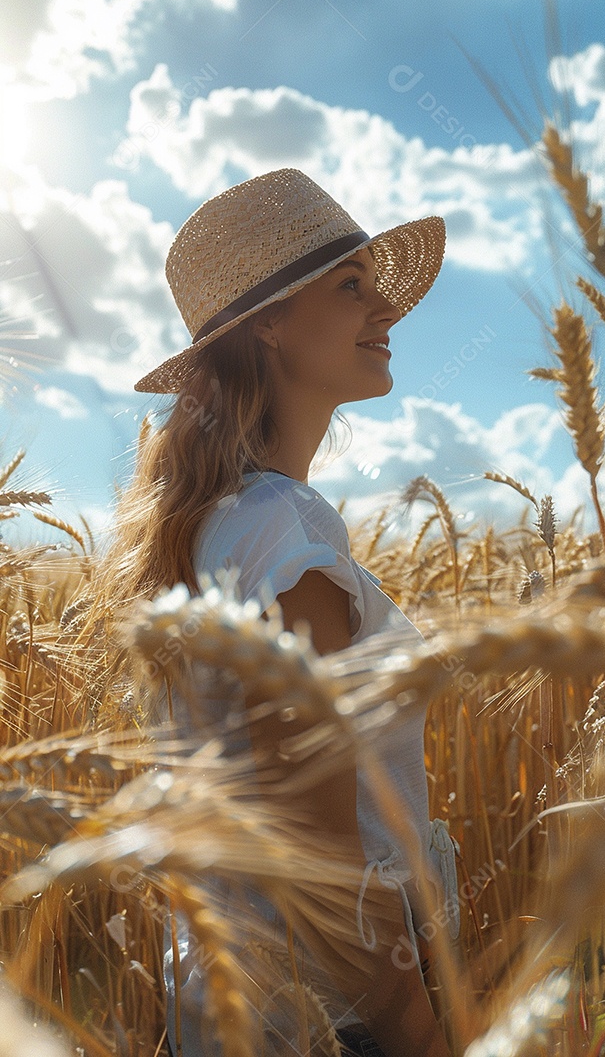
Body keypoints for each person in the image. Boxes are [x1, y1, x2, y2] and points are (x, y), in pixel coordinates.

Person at [98, 169, 457, 1056]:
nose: (385, 311)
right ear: (267, 322)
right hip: (342, 1017)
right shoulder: (283, 533)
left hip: (237, 1009)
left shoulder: (216, 526)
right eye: (351, 287)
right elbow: (320, 848)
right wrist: (415, 1028)